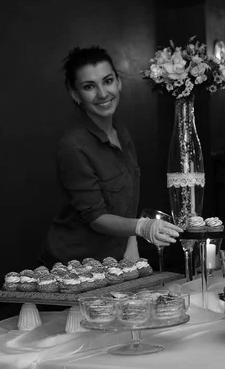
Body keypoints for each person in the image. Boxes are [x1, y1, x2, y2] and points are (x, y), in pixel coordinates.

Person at [39, 46, 182, 266]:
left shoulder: (120, 132)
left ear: (119, 82)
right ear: (75, 94)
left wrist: (131, 240)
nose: (103, 94)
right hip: (75, 265)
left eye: (108, 81)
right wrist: (141, 227)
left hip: (115, 260)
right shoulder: (74, 146)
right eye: (89, 86)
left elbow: (128, 200)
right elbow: (95, 218)